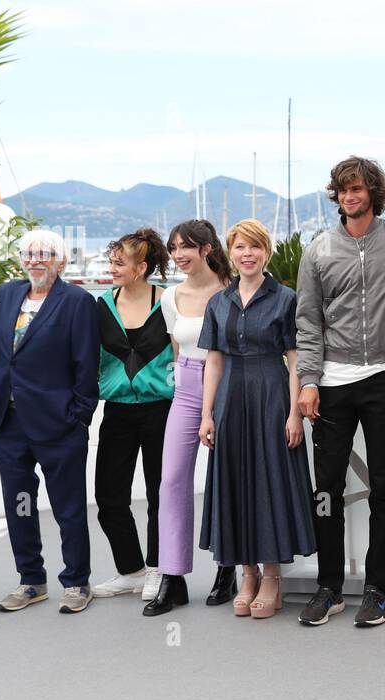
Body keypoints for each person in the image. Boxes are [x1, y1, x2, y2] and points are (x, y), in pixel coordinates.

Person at [294, 156, 385, 627]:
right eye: (343, 190)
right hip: (334, 382)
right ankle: (329, 587)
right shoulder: (318, 249)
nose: (351, 196)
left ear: (373, 193)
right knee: (327, 490)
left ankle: (378, 590)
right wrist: (307, 381)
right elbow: (307, 321)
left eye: (359, 189)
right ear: (336, 195)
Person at [198, 219, 316, 618]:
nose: (247, 254)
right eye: (239, 248)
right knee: (236, 482)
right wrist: (206, 414)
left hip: (270, 392)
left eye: (255, 247)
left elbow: (296, 358)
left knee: (268, 482)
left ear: (266, 252)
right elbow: (213, 360)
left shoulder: (285, 298)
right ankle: (245, 573)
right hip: (230, 397)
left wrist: (294, 411)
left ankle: (271, 576)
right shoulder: (218, 302)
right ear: (229, 254)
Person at [0, 229, 100, 614]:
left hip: (59, 425)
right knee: (20, 504)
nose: (35, 259)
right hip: (9, 424)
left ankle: (76, 582)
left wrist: (79, 417)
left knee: (67, 508)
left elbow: (86, 364)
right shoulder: (7, 294)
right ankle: (31, 580)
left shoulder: (77, 302)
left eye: (45, 253)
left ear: (61, 262)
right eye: (29, 253)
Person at [145, 220, 236, 614]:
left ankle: (229, 568)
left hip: (230, 386)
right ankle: (173, 576)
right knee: (172, 480)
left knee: (228, 477)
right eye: (174, 247)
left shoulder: (232, 291)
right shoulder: (170, 297)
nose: (179, 254)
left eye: (187, 247)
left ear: (206, 248)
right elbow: (177, 350)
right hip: (185, 388)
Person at [90, 229, 174, 602]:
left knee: (160, 494)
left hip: (161, 410)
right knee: (109, 497)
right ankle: (131, 570)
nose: (112, 268)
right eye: (111, 261)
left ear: (142, 268)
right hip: (117, 411)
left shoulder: (168, 303)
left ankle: (158, 569)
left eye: (118, 263)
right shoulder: (102, 305)